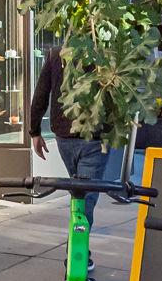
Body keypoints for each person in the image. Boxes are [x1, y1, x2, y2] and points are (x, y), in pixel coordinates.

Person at [28, 45, 122, 224]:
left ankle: (76, 246)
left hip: (65, 135)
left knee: (78, 195)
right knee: (85, 198)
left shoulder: (56, 53)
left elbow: (41, 92)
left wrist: (35, 131)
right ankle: (76, 249)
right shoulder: (107, 53)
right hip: (94, 137)